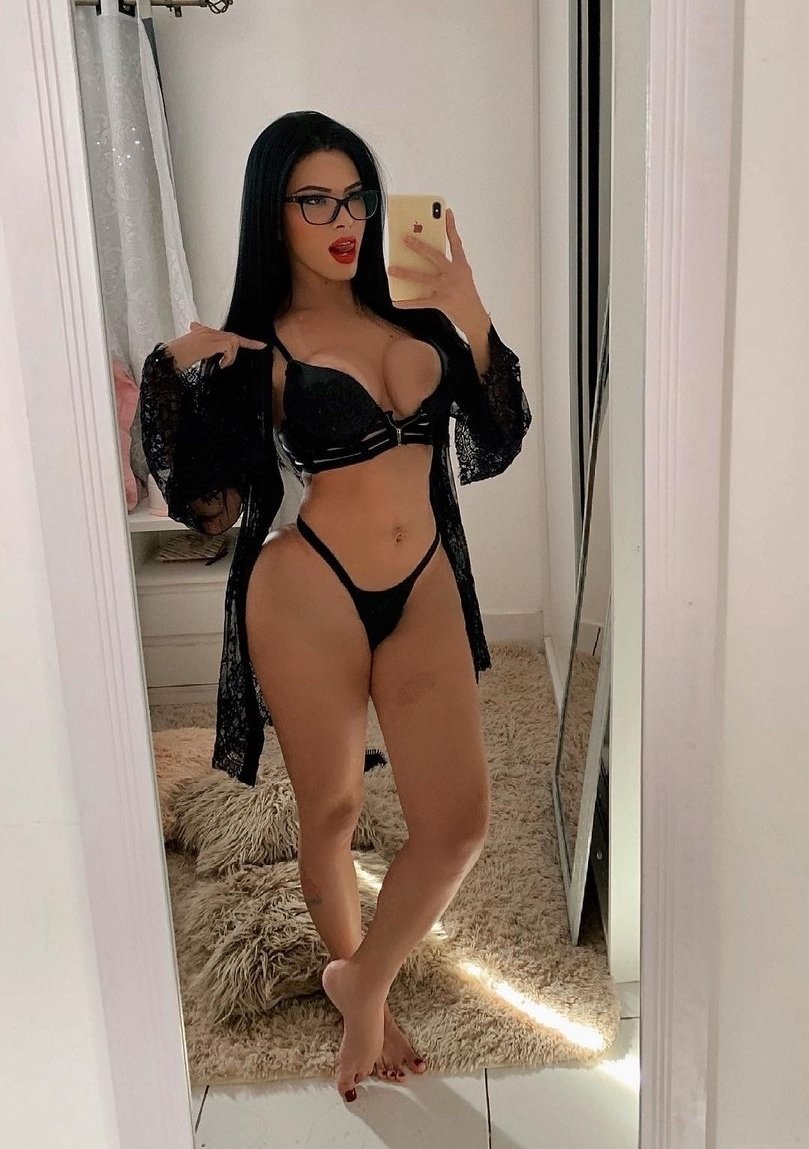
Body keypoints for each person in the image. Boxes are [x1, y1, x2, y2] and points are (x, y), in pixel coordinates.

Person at [140, 110, 531, 1103]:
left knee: (457, 825)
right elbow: (205, 506)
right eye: (314, 200)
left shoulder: (420, 321)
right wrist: (174, 369)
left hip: (424, 582)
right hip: (308, 589)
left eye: (354, 197)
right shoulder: (259, 349)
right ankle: (364, 989)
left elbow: (498, 436)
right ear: (273, 214)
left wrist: (470, 310)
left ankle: (360, 977)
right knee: (334, 806)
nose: (343, 219)